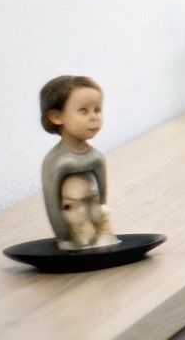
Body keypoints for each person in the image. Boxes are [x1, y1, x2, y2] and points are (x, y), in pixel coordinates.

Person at [38, 74, 117, 250]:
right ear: (56, 117)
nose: (94, 117)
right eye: (83, 111)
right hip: (71, 238)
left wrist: (102, 226)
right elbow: (52, 204)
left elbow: (102, 202)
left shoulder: (96, 158)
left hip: (98, 235)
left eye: (97, 110)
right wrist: (64, 238)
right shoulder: (57, 162)